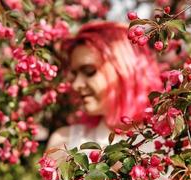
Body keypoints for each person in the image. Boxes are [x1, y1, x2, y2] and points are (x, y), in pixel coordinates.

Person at [46, 21, 162, 157]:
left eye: (89, 71)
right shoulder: (63, 142)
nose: (76, 85)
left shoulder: (169, 142)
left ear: (123, 70)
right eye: (74, 74)